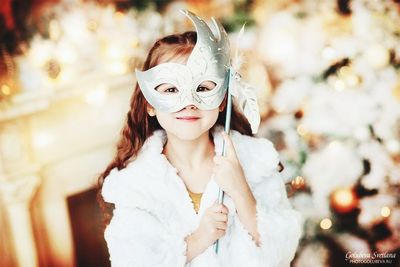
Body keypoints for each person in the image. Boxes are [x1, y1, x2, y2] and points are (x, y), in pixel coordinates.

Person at [97, 9, 302, 267]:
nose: (189, 102)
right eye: (171, 89)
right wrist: (198, 240)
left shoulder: (255, 161)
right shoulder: (136, 185)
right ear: (150, 103)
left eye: (203, 88)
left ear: (222, 100)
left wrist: (241, 192)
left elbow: (282, 253)